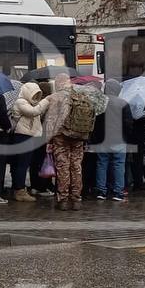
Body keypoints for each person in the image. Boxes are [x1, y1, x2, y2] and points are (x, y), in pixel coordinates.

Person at [41, 74, 91, 211]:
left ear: (58, 83)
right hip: (79, 137)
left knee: (63, 168)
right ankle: (76, 199)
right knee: (76, 167)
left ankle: (63, 199)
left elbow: (51, 122)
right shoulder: (81, 95)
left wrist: (49, 139)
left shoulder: (56, 97)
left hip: (61, 137)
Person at [91, 79, 132, 201]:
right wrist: (126, 137)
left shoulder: (99, 103)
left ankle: (101, 191)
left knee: (102, 164)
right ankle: (118, 192)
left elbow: (94, 123)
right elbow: (128, 123)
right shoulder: (123, 103)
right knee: (119, 165)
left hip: (102, 139)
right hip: (119, 140)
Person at [9, 82, 49, 202]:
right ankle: (19, 190)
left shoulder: (30, 103)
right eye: (34, 94)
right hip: (23, 136)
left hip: (28, 136)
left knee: (22, 164)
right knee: (22, 164)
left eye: (38, 95)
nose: (36, 97)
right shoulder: (21, 102)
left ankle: (18, 187)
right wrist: (46, 101)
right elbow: (34, 112)